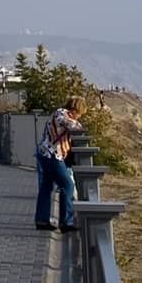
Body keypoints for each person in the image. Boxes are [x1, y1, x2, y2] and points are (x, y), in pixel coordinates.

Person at [34, 95, 86, 231]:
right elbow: (72, 125)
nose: (79, 117)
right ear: (76, 110)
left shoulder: (59, 113)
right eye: (80, 114)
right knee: (67, 185)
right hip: (52, 155)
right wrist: (79, 125)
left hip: (45, 153)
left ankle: (42, 220)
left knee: (46, 186)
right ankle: (66, 222)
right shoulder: (61, 114)